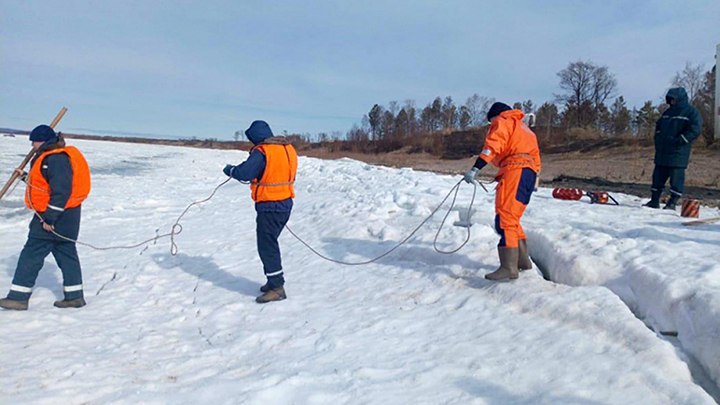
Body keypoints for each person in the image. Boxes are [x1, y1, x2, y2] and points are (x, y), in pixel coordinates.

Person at [0, 126, 91, 311]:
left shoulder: (55, 159)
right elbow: (45, 186)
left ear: (42, 141)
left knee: (31, 254)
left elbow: (61, 191)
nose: (32, 145)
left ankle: (18, 298)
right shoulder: (53, 157)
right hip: (67, 217)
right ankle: (75, 297)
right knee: (66, 254)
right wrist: (24, 177)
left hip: (54, 217)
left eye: (34, 141)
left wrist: (49, 219)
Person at [463, 102, 542, 281]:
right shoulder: (525, 129)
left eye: (491, 122)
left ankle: (509, 267)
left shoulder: (503, 121)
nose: (492, 125)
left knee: (505, 218)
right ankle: (522, 262)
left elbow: (492, 146)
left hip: (515, 170)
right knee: (513, 218)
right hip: (528, 173)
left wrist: (476, 168)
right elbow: (536, 159)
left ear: (495, 115)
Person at [223, 120, 297, 303]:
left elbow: (245, 173)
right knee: (270, 244)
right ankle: (273, 281)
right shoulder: (287, 148)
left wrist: (230, 169)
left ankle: (277, 288)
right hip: (285, 203)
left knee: (267, 246)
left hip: (270, 206)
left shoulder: (263, 151)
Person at [645, 87, 703, 210]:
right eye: (670, 99)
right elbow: (659, 126)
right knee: (657, 177)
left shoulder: (691, 112)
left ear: (680, 99)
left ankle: (672, 202)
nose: (672, 102)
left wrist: (681, 140)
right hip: (662, 152)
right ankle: (654, 200)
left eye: (674, 99)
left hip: (678, 153)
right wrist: (658, 139)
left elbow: (695, 129)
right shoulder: (667, 113)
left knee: (676, 179)